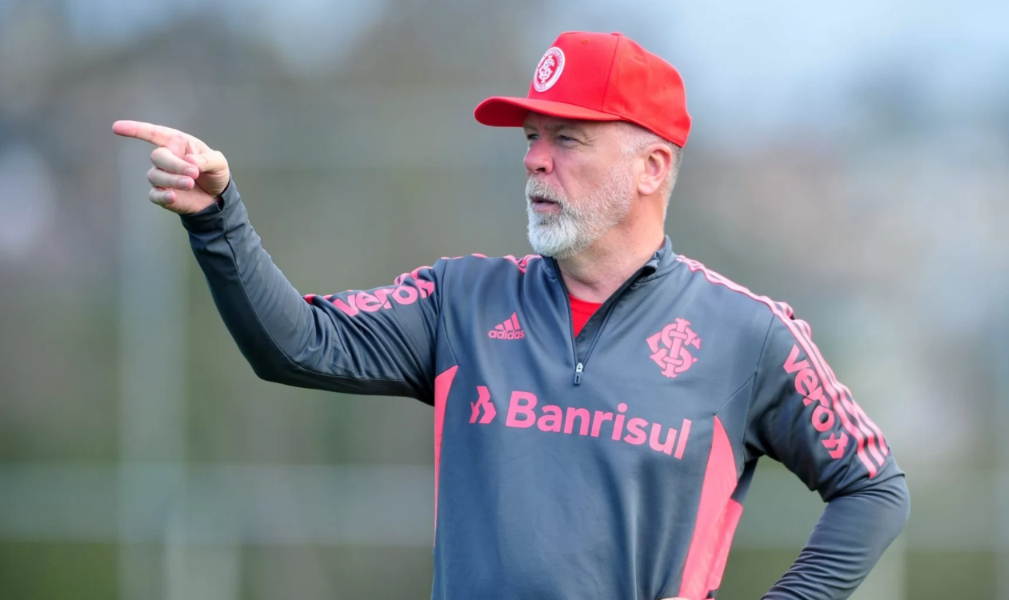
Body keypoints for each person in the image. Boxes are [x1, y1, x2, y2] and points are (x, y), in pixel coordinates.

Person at [113, 30, 908, 600]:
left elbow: (873, 490)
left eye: (568, 138)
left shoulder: (749, 333)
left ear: (651, 167)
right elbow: (296, 345)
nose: (534, 156)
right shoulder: (462, 297)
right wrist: (217, 216)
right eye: (531, 136)